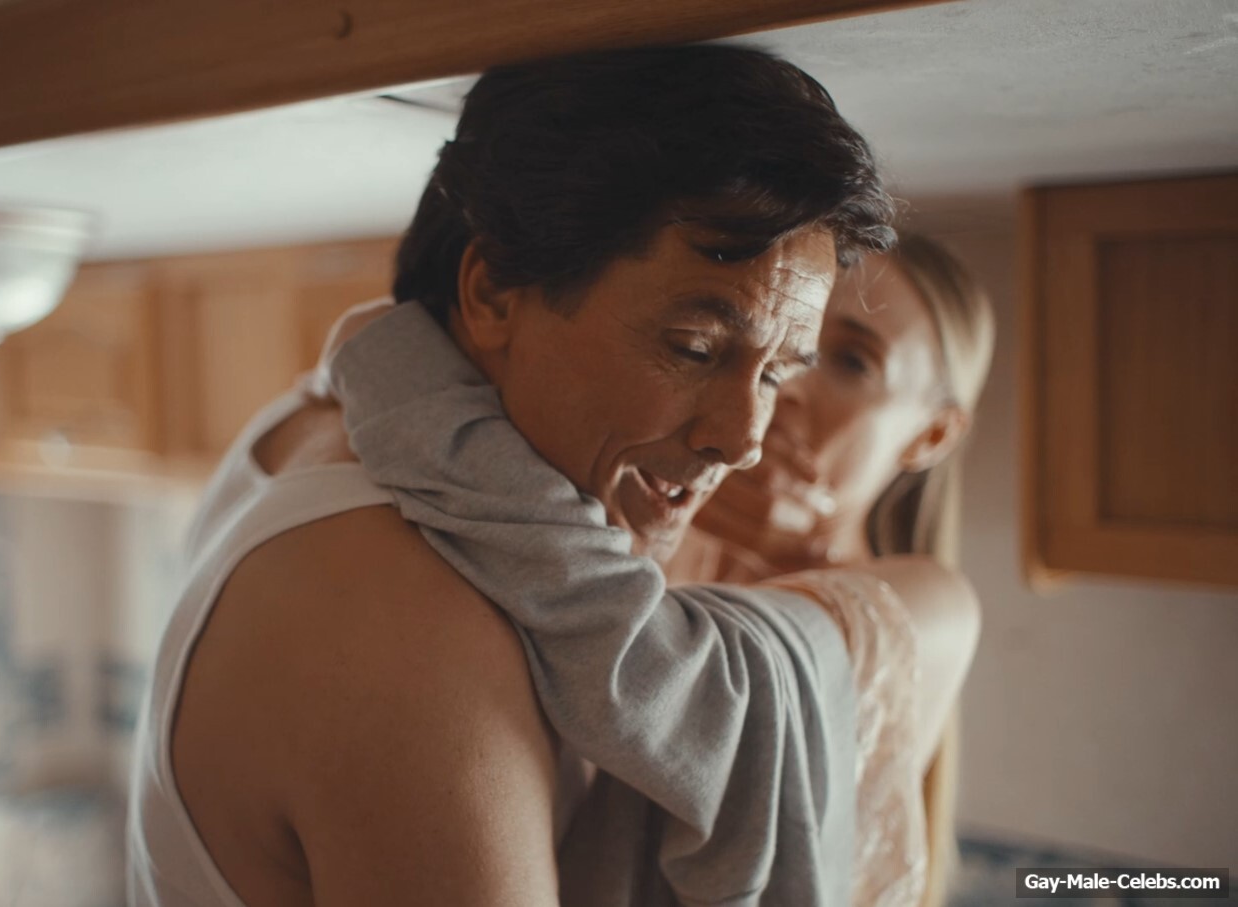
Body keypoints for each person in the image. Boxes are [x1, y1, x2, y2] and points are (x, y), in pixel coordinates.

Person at [127, 44, 973, 907]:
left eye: (776, 373)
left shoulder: (317, 416)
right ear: (493, 292)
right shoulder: (417, 627)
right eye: (693, 348)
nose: (742, 441)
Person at [664, 232, 997, 906]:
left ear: (931, 434)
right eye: (787, 335)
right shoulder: (643, 519)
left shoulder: (935, 608)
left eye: (849, 360)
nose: (784, 379)